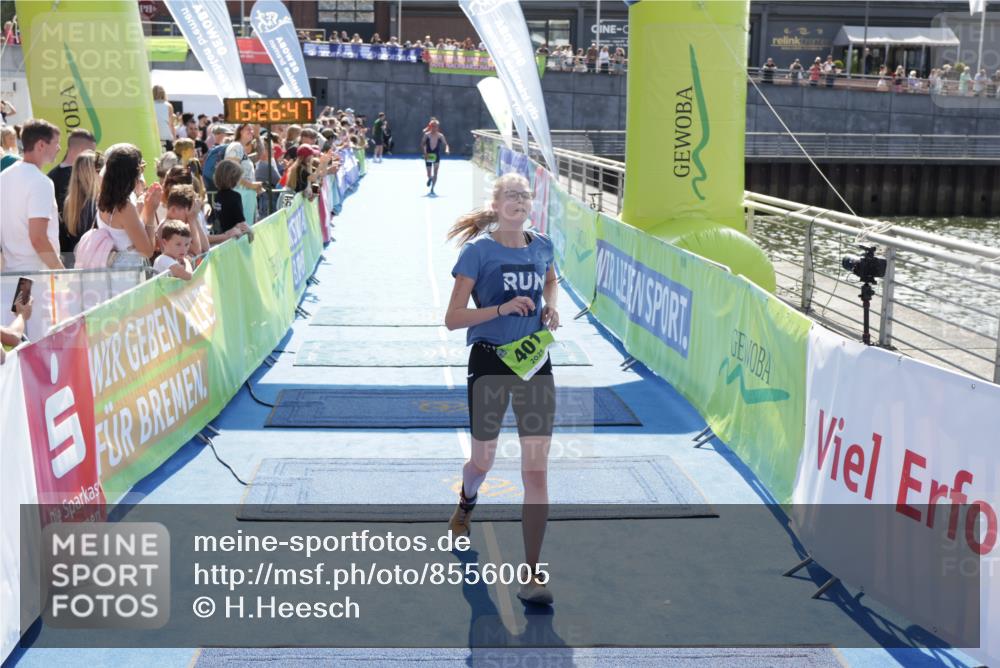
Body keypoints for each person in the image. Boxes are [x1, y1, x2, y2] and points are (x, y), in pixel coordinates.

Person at [444, 172, 559, 606]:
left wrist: (550, 307)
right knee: (483, 459)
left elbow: (550, 279)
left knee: (536, 471)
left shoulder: (543, 245)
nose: (519, 200)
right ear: (495, 204)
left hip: (534, 362)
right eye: (510, 195)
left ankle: (531, 572)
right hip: (490, 361)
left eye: (525, 195)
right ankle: (467, 500)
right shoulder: (477, 253)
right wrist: (501, 309)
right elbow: (453, 318)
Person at [0, 118, 64, 272]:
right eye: (56, 143)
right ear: (41, 145)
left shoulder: (4, 176)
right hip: (37, 276)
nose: (59, 148)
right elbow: (38, 238)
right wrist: (61, 272)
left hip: (11, 274)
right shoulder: (40, 182)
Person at [94, 144, 160, 269]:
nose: (141, 172)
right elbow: (147, 251)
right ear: (131, 173)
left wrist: (145, 207)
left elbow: (126, 233)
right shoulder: (124, 207)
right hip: (127, 275)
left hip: (116, 272)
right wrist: (150, 210)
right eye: (140, 168)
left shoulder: (104, 197)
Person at [60, 149, 104, 266]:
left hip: (75, 263)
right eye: (100, 171)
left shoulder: (70, 202)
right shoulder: (97, 202)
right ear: (93, 172)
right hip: (96, 264)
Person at [47, 128, 96, 227]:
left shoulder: (51, 175)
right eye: (92, 151)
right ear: (81, 151)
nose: (93, 156)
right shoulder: (81, 177)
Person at [225, 123, 264, 224]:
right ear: (240, 131)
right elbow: (231, 173)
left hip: (246, 197)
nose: (252, 132)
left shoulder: (241, 149)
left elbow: (260, 154)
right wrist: (251, 185)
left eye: (252, 130)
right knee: (243, 232)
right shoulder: (235, 146)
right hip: (240, 197)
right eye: (248, 129)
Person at [210, 160, 247, 236]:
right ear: (234, 179)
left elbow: (216, 216)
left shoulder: (218, 195)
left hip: (221, 235)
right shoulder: (235, 196)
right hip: (233, 237)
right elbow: (241, 222)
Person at [421, 118, 449, 195]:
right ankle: (430, 178)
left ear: (438, 127)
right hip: (428, 155)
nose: (434, 128)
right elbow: (422, 144)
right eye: (432, 126)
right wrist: (425, 153)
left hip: (436, 155)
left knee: (436, 172)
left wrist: (447, 149)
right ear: (430, 127)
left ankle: (432, 188)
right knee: (429, 173)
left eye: (435, 126)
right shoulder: (426, 135)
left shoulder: (440, 136)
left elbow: (446, 144)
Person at [152, 85, 176, 151]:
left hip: (153, 137)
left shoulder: (150, 105)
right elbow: (171, 124)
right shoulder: (168, 105)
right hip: (165, 136)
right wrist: (174, 139)